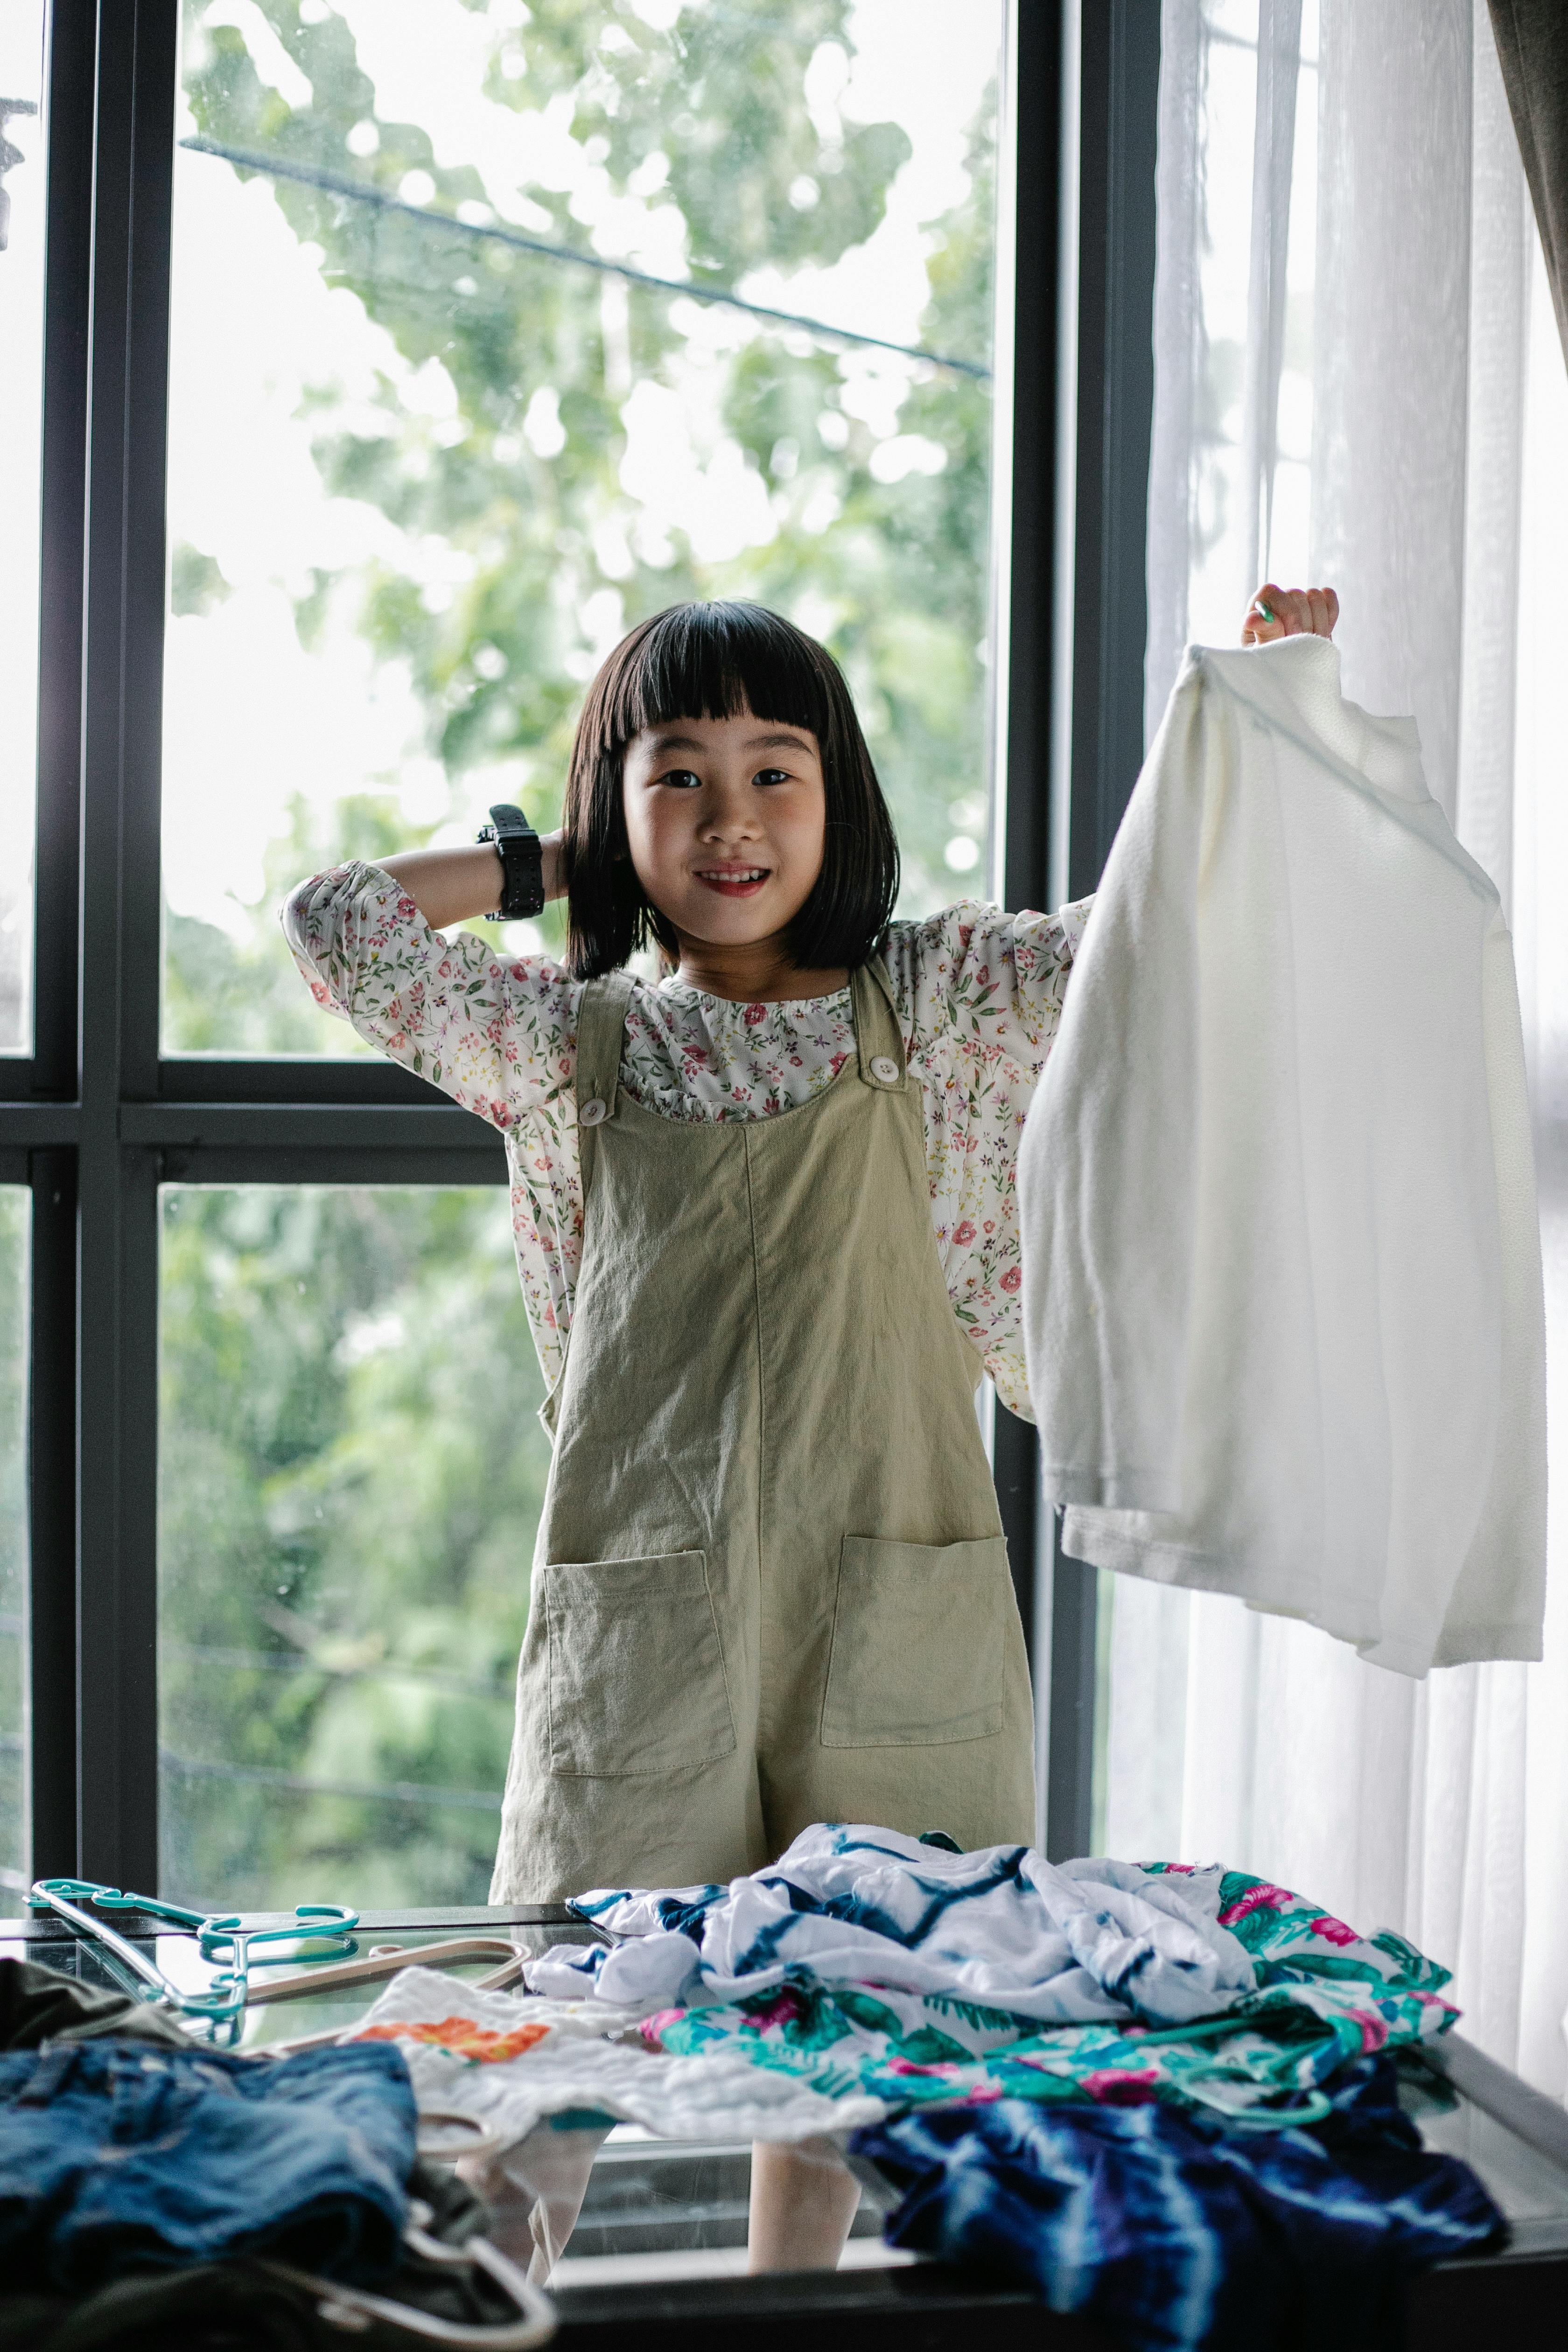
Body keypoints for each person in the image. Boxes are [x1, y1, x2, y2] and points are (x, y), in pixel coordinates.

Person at [283, 578, 1337, 2271]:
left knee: (854, 2043)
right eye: (676, 774)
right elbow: (338, 923)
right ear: (614, 810)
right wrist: (545, 861)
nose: (729, 816)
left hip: (886, 1597)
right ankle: (489, 2303)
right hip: (645, 1620)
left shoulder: (925, 1004)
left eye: (776, 769)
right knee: (558, 2031)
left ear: (838, 797)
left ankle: (794, 2317)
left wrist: (1257, 708)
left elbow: (1139, 929)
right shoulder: (577, 1044)